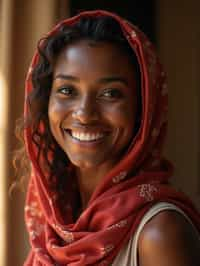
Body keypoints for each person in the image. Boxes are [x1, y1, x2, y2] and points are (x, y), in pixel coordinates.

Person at [18, 9, 200, 265]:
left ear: (143, 108)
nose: (85, 114)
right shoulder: (55, 227)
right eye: (67, 90)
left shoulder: (159, 234)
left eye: (111, 93)